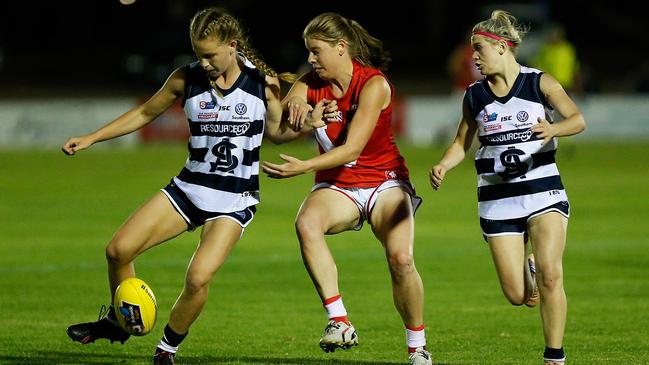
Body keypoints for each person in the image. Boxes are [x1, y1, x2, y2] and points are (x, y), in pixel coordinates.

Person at [62, 7, 328, 365]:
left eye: (209, 55)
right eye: (197, 54)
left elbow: (278, 134)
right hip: (188, 189)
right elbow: (144, 113)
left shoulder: (262, 83)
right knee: (118, 251)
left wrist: (309, 125)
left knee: (199, 278)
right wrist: (93, 138)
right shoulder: (185, 79)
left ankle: (165, 352)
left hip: (233, 200)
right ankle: (119, 321)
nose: (202, 63)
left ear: (232, 46)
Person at [262, 12, 432, 365]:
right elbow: (278, 132)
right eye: (308, 51)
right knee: (307, 224)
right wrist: (294, 112)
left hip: (385, 182)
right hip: (338, 185)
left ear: (341, 48)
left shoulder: (374, 84)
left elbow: (353, 149)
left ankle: (417, 348)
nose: (310, 59)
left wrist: (304, 166)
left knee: (401, 259)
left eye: (316, 50)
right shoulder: (309, 84)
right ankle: (339, 321)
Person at [428, 10, 586, 365]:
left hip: (544, 192)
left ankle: (554, 357)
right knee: (517, 294)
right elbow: (460, 143)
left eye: (479, 49)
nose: (475, 57)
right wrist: (443, 164)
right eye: (473, 50)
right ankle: (527, 274)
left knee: (551, 274)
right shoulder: (474, 96)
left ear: (501, 47)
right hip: (497, 201)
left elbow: (577, 119)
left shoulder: (539, 83)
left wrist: (553, 130)